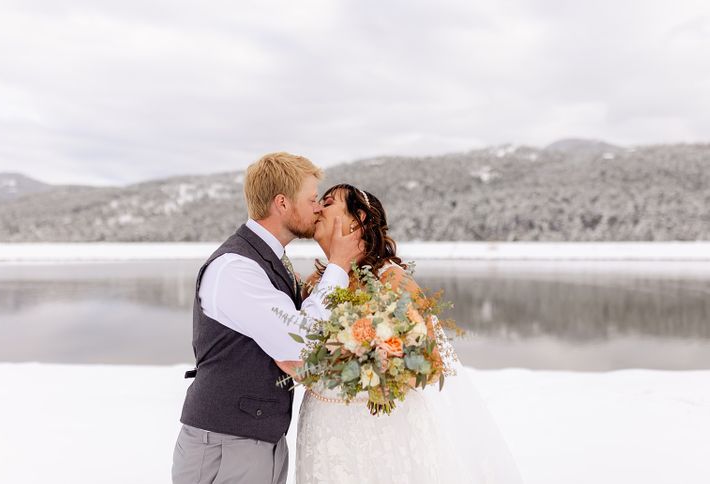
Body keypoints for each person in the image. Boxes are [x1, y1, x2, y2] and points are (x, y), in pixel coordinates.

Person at [295, 183, 525, 483]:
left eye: (328, 202)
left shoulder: (391, 280)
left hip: (380, 428)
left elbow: (430, 364)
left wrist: (377, 362)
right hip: (322, 428)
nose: (317, 208)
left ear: (358, 218)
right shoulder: (314, 284)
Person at [172, 154, 363, 484]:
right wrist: (339, 265)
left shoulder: (268, 260)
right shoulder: (236, 268)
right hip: (226, 442)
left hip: (257, 440)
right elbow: (302, 342)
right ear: (282, 204)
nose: (318, 208)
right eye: (312, 199)